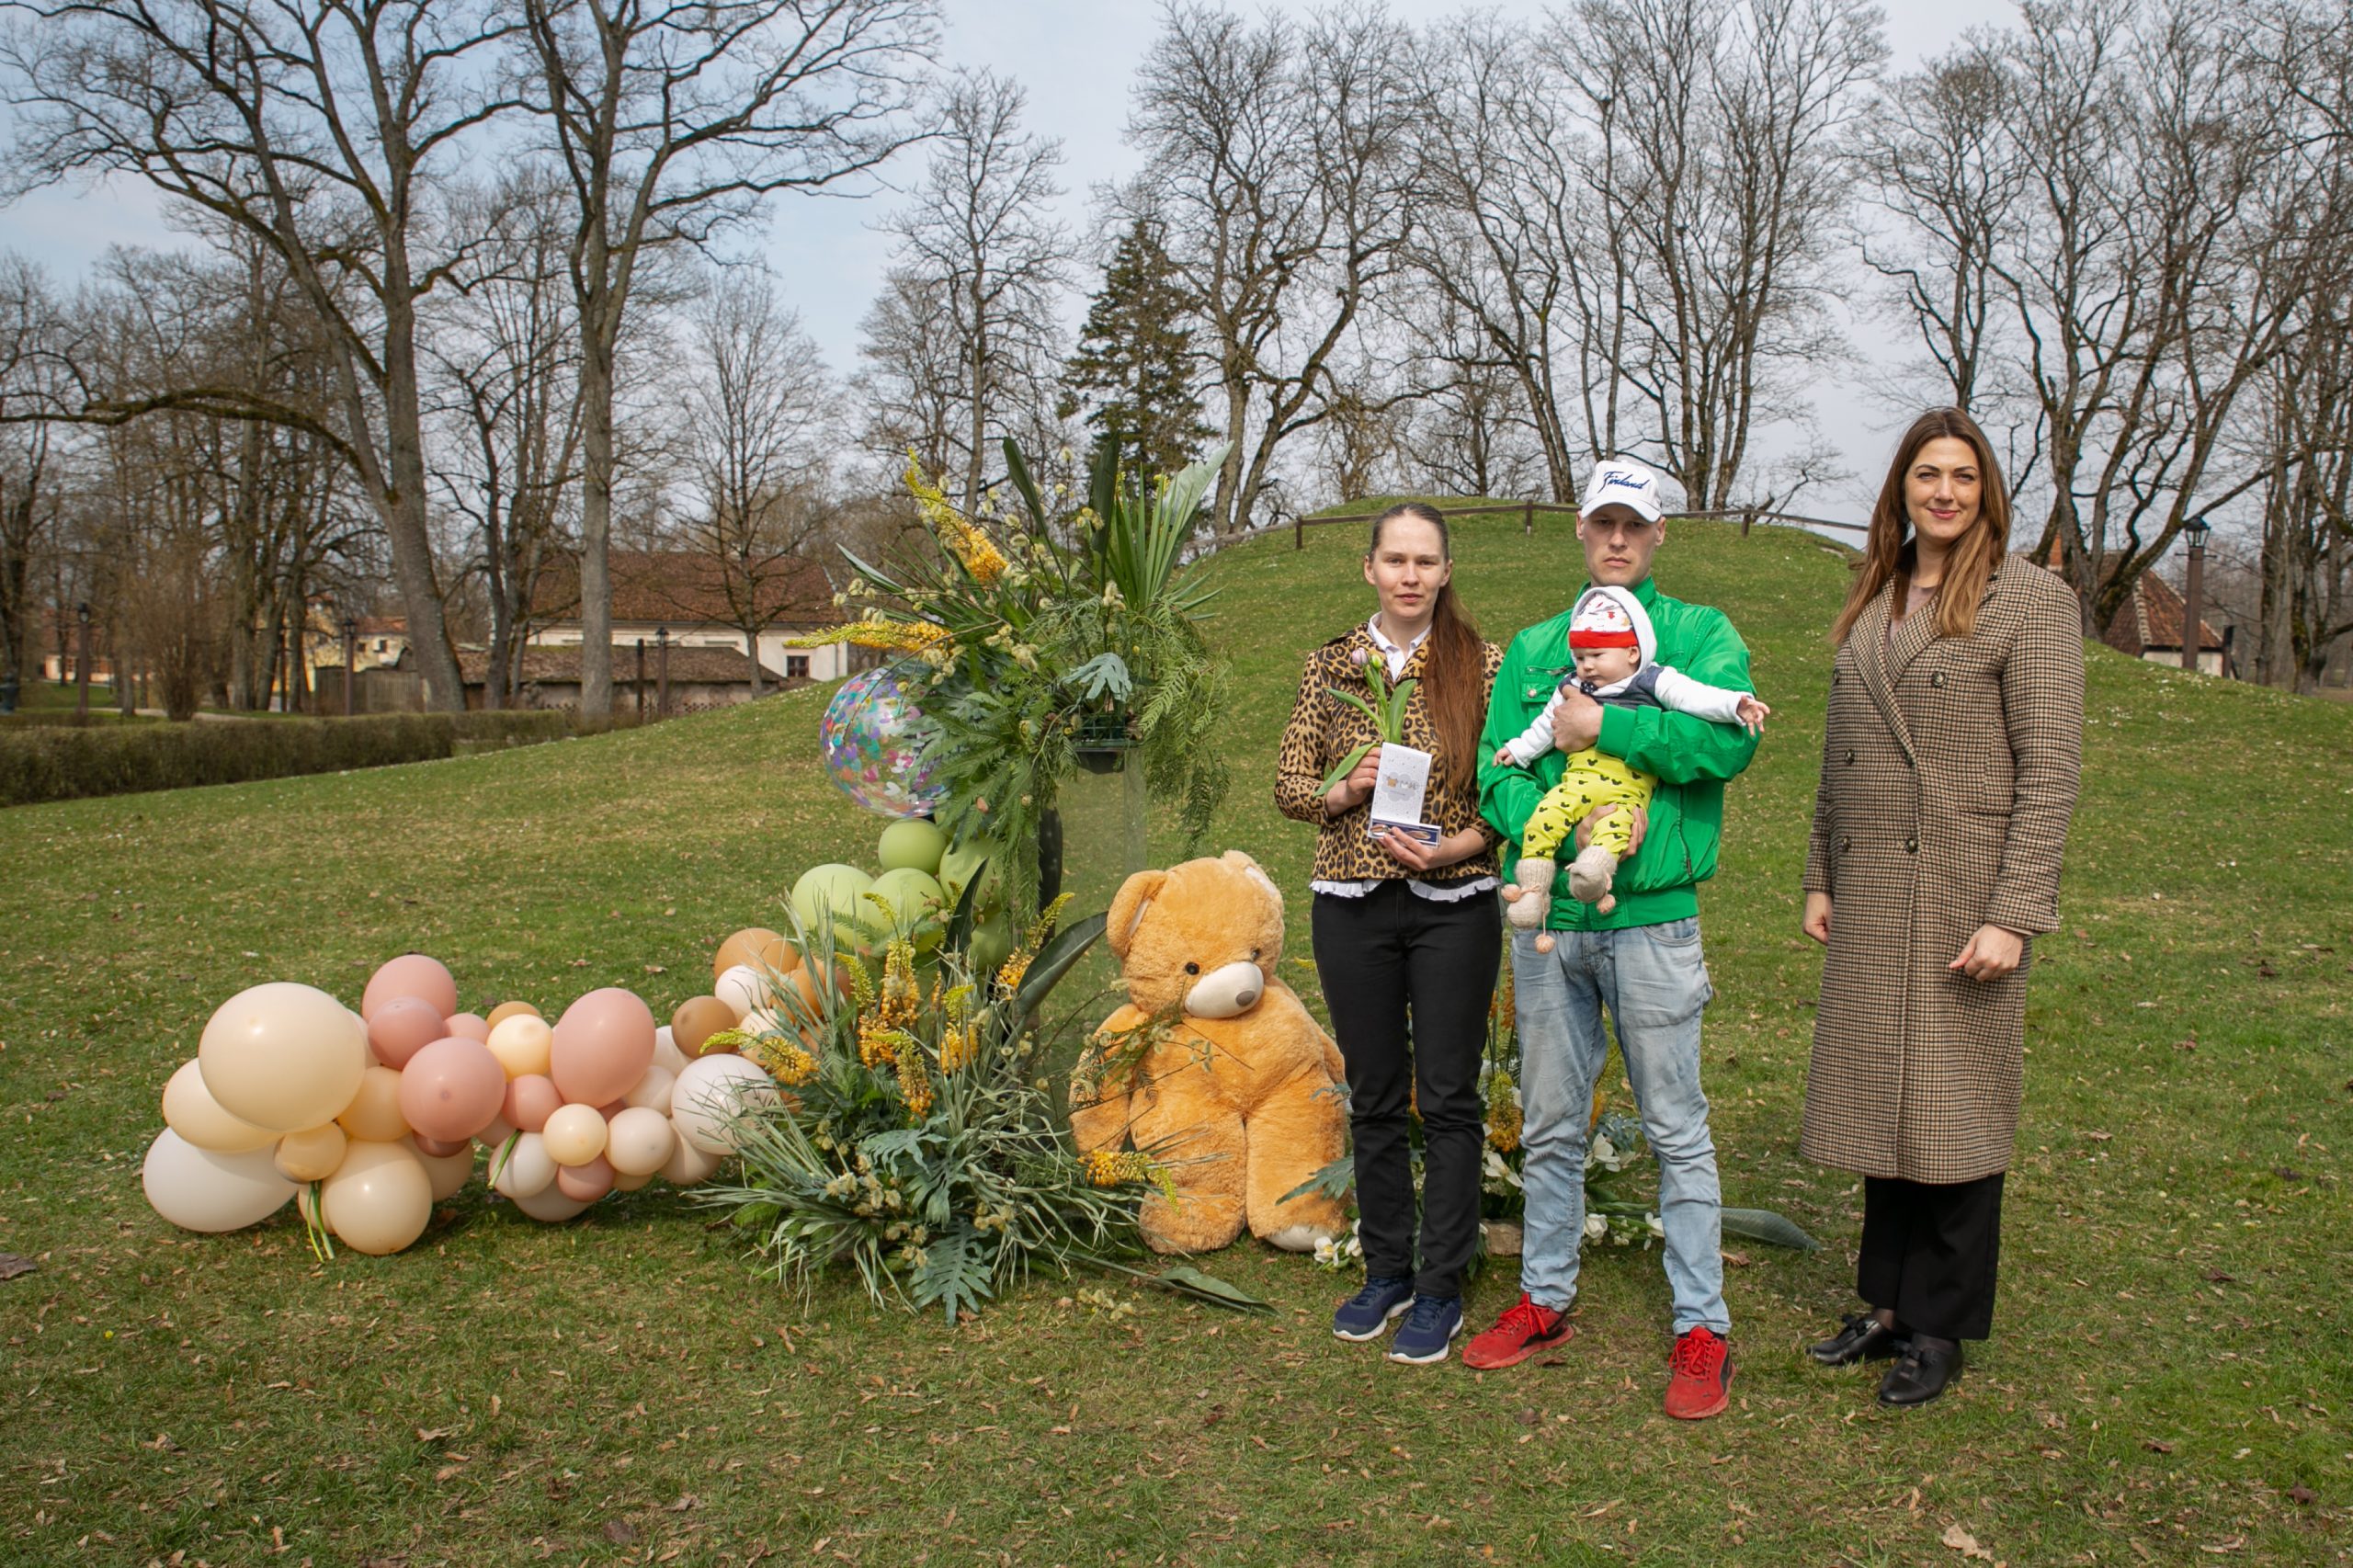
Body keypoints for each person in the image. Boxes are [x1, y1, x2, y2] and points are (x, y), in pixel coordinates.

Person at [1798, 407, 2084, 1407]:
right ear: (1903, 488)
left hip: (1965, 889)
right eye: (1928, 474)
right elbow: (1839, 753)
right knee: (1885, 1095)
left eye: (1963, 475)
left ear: (1986, 490)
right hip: (1873, 887)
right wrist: (1820, 874)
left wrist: (2015, 912)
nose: (1945, 492)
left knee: (1954, 1105)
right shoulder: (1876, 589)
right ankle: (1887, 1303)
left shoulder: (2029, 599)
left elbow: (2050, 771)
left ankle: (1941, 1324)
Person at [1466, 456, 1757, 1421]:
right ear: (1581, 530)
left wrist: (1611, 731)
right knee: (1552, 1122)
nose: (1619, 539)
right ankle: (1544, 1299)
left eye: (1635, 524)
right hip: (1552, 921)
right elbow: (1496, 771)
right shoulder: (1537, 647)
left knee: (1676, 1124)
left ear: (1659, 532)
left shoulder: (1698, 635)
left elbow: (1728, 742)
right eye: (1604, 524)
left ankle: (1700, 1325)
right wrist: (1556, 823)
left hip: (1653, 919)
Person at [1275, 502, 1503, 1366]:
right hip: (1352, 903)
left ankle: (1440, 1284)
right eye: (1396, 559)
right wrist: (1345, 787)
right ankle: (1387, 1272)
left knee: (1447, 1098)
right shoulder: (1331, 662)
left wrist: (1456, 848)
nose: (1411, 575)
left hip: (1453, 902)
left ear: (1447, 572)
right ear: (1369, 568)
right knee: (1372, 1094)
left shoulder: (1484, 665)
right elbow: (1290, 786)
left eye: (1426, 561)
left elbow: (1510, 789)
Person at [1495, 584, 1768, 927]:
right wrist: (1517, 750)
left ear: (1632, 654)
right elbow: (1543, 728)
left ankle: (1593, 877)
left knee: (1618, 828)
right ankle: (1534, 891)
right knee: (1544, 817)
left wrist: (1735, 705)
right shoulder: (1565, 678)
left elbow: (1697, 699)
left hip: (1626, 797)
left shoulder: (1656, 677)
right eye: (1580, 657)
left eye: (1597, 656)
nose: (1587, 667)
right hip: (1575, 785)